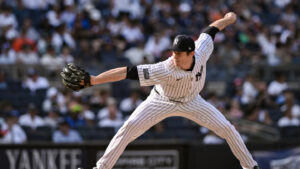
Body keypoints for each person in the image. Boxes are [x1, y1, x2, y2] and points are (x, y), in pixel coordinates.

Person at [61, 12, 260, 169]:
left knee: (227, 129)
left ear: (191, 53)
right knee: (129, 127)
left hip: (193, 101)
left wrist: (227, 19)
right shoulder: (165, 68)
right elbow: (126, 72)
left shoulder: (201, 50)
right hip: (161, 101)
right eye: (173, 52)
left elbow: (211, 30)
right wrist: (95, 80)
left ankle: (250, 166)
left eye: (179, 53)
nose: (175, 56)